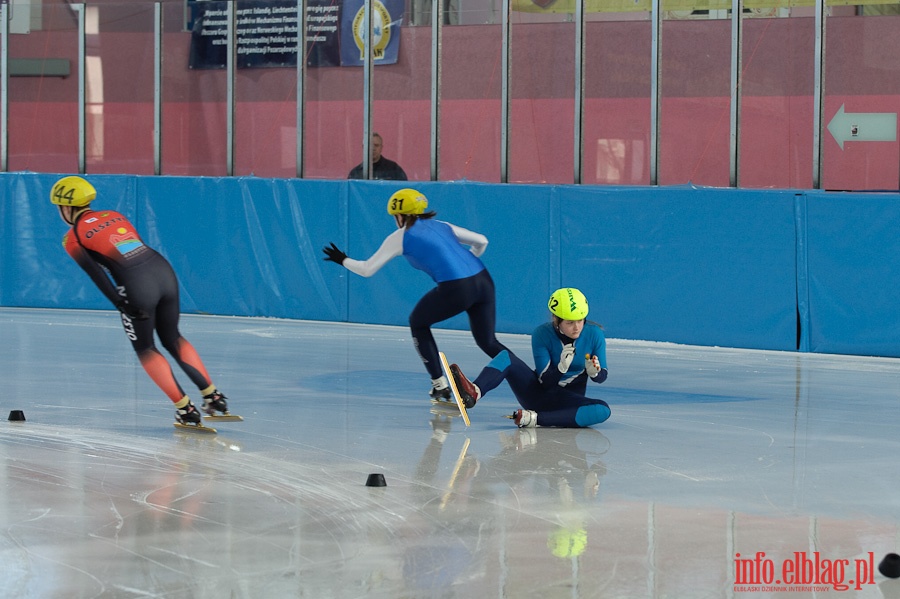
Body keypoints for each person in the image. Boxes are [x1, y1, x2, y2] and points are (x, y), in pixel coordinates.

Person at [50, 175, 232, 427]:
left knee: (146, 348)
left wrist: (120, 303)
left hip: (137, 286)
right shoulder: (115, 215)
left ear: (66, 207)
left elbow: (98, 275)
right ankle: (213, 396)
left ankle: (186, 410)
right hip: (163, 272)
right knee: (173, 338)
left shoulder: (73, 237)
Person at [323, 188, 506, 400]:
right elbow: (482, 241)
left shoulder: (400, 237)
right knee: (488, 342)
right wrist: (467, 264)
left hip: (457, 287)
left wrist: (342, 259)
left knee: (418, 322)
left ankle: (439, 384)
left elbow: (366, 269)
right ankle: (529, 376)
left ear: (399, 215)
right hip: (484, 280)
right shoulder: (442, 225)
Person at [448, 287, 611, 428]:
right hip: (538, 394)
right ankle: (474, 392)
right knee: (506, 357)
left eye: (580, 320)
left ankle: (535, 419)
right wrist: (561, 367)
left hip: (567, 403)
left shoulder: (594, 334)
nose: (577, 328)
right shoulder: (542, 334)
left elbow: (601, 377)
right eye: (569, 322)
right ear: (556, 319)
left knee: (603, 410)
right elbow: (546, 383)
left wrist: (594, 373)